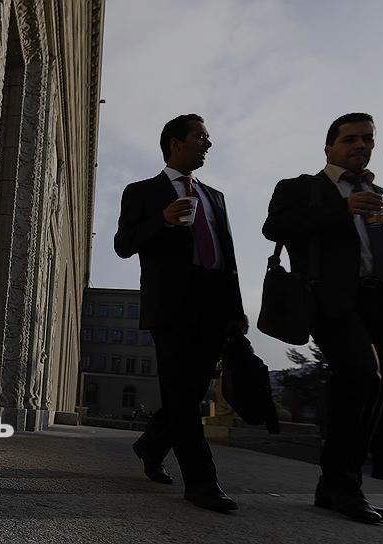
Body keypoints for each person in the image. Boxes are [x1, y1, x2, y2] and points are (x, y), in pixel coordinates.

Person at [263, 113, 383, 524]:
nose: (360, 146)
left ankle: (338, 485)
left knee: (375, 393)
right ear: (329, 147)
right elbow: (274, 227)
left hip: (382, 302)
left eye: (367, 139)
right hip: (330, 300)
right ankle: (341, 484)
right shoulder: (300, 187)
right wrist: (342, 209)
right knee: (362, 374)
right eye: (350, 139)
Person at [114, 114, 246, 512]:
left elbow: (227, 256)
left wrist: (236, 310)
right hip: (171, 307)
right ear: (176, 143)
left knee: (189, 392)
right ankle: (202, 482)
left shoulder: (215, 197)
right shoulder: (141, 191)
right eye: (201, 136)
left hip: (214, 306)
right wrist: (163, 220)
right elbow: (123, 244)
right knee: (181, 394)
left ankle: (151, 445)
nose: (208, 143)